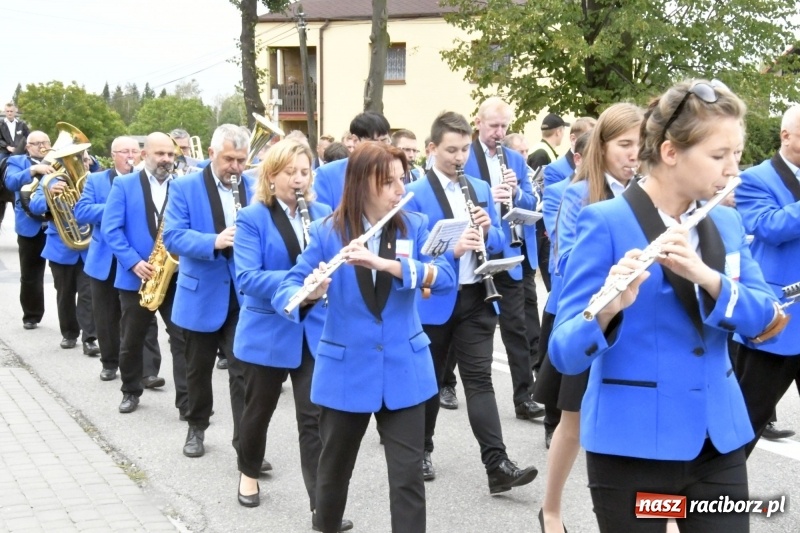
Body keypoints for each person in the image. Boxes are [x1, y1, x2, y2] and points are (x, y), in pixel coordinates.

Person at [549, 79, 783, 533]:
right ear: (671, 152)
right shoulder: (605, 221)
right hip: (632, 444)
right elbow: (564, 353)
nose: (733, 170)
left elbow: (767, 320)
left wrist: (709, 279)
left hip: (717, 442)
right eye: (719, 156)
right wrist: (607, 309)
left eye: (737, 154)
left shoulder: (727, 222)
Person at [273, 142, 455, 533]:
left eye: (402, 179)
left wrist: (389, 265)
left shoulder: (415, 225)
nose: (400, 189)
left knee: (407, 479)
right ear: (361, 184)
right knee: (333, 475)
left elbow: (445, 277)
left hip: (405, 370)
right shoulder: (328, 232)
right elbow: (288, 287)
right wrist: (310, 292)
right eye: (388, 182)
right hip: (345, 370)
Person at [406, 111, 538, 493]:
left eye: (464, 149)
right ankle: (421, 450)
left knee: (480, 381)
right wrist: (452, 250)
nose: (460, 157)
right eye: (452, 150)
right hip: (434, 300)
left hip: (478, 295)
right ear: (432, 149)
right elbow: (411, 254)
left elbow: (498, 240)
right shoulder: (415, 193)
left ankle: (497, 466)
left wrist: (487, 229)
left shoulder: (478, 186)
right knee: (430, 382)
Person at [232, 140, 352, 530]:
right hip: (268, 330)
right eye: (290, 172)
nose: (298, 179)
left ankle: (321, 507)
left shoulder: (323, 213)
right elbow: (247, 277)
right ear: (271, 176)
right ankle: (248, 471)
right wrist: (300, 282)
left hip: (313, 330)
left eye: (304, 172)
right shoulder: (252, 217)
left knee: (314, 419)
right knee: (258, 412)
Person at [535, 103, 642, 533]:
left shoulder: (648, 195)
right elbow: (563, 261)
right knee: (573, 424)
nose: (634, 154)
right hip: (587, 318)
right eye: (625, 144)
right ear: (602, 146)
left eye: (640, 144)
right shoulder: (575, 193)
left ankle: (662, 516)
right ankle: (551, 509)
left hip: (633, 321)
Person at [163, 124, 254, 459]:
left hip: (242, 295)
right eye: (229, 159)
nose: (236, 167)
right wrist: (214, 241)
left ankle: (246, 444)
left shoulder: (254, 186)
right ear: (212, 153)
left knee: (243, 371)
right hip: (200, 294)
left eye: (241, 160)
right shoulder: (184, 187)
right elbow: (172, 237)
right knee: (197, 370)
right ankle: (197, 426)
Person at [462, 97, 543, 422]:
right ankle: (446, 384)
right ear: (478, 123)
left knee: (516, 327)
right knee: (458, 325)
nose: (499, 132)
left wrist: (515, 193)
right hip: (474, 250)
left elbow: (531, 200)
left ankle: (524, 397)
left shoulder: (514, 159)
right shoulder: (465, 156)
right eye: (494, 125)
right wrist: (488, 197)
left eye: (504, 126)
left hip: (508, 252)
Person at [102, 132, 188, 416]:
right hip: (136, 277)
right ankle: (130, 390)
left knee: (183, 339)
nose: (166, 159)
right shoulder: (124, 184)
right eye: (160, 153)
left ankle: (187, 401)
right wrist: (133, 262)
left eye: (170, 154)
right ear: (144, 155)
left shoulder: (181, 186)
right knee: (132, 339)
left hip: (173, 276)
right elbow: (111, 229)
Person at [732, 104, 800, 454]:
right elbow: (768, 227)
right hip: (779, 316)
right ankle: (712, 483)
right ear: (785, 135)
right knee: (748, 418)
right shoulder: (755, 178)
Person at [75, 136, 163, 382]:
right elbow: (81, 211)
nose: (130, 156)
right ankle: (110, 362)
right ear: (113, 155)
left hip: (138, 260)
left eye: (134, 151)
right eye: (124, 151)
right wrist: (116, 206)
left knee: (144, 313)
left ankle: (148, 371)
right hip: (105, 260)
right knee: (106, 315)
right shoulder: (96, 180)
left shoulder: (147, 181)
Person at [28, 154, 99, 355]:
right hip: (61, 246)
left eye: (85, 160)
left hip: (89, 246)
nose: (82, 164)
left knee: (88, 294)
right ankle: (69, 333)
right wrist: (49, 195)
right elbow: (35, 205)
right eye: (78, 160)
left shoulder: (94, 181)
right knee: (65, 294)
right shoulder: (51, 180)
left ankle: (90, 338)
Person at [4, 131, 50, 329]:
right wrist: (33, 170)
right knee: (31, 274)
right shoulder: (17, 161)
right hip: (29, 226)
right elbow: (10, 182)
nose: (42, 146)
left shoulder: (58, 160)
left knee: (66, 277)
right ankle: (31, 316)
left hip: (56, 226)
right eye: (37, 143)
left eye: (45, 142)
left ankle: (70, 324)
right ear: (28, 147)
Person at [314, 113, 391, 209]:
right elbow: (321, 215)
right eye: (374, 141)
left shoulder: (395, 172)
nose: (381, 147)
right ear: (355, 140)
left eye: (384, 140)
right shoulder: (327, 174)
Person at [542, 117, 597, 189]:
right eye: (589, 138)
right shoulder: (554, 170)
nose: (596, 143)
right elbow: (555, 194)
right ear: (573, 139)